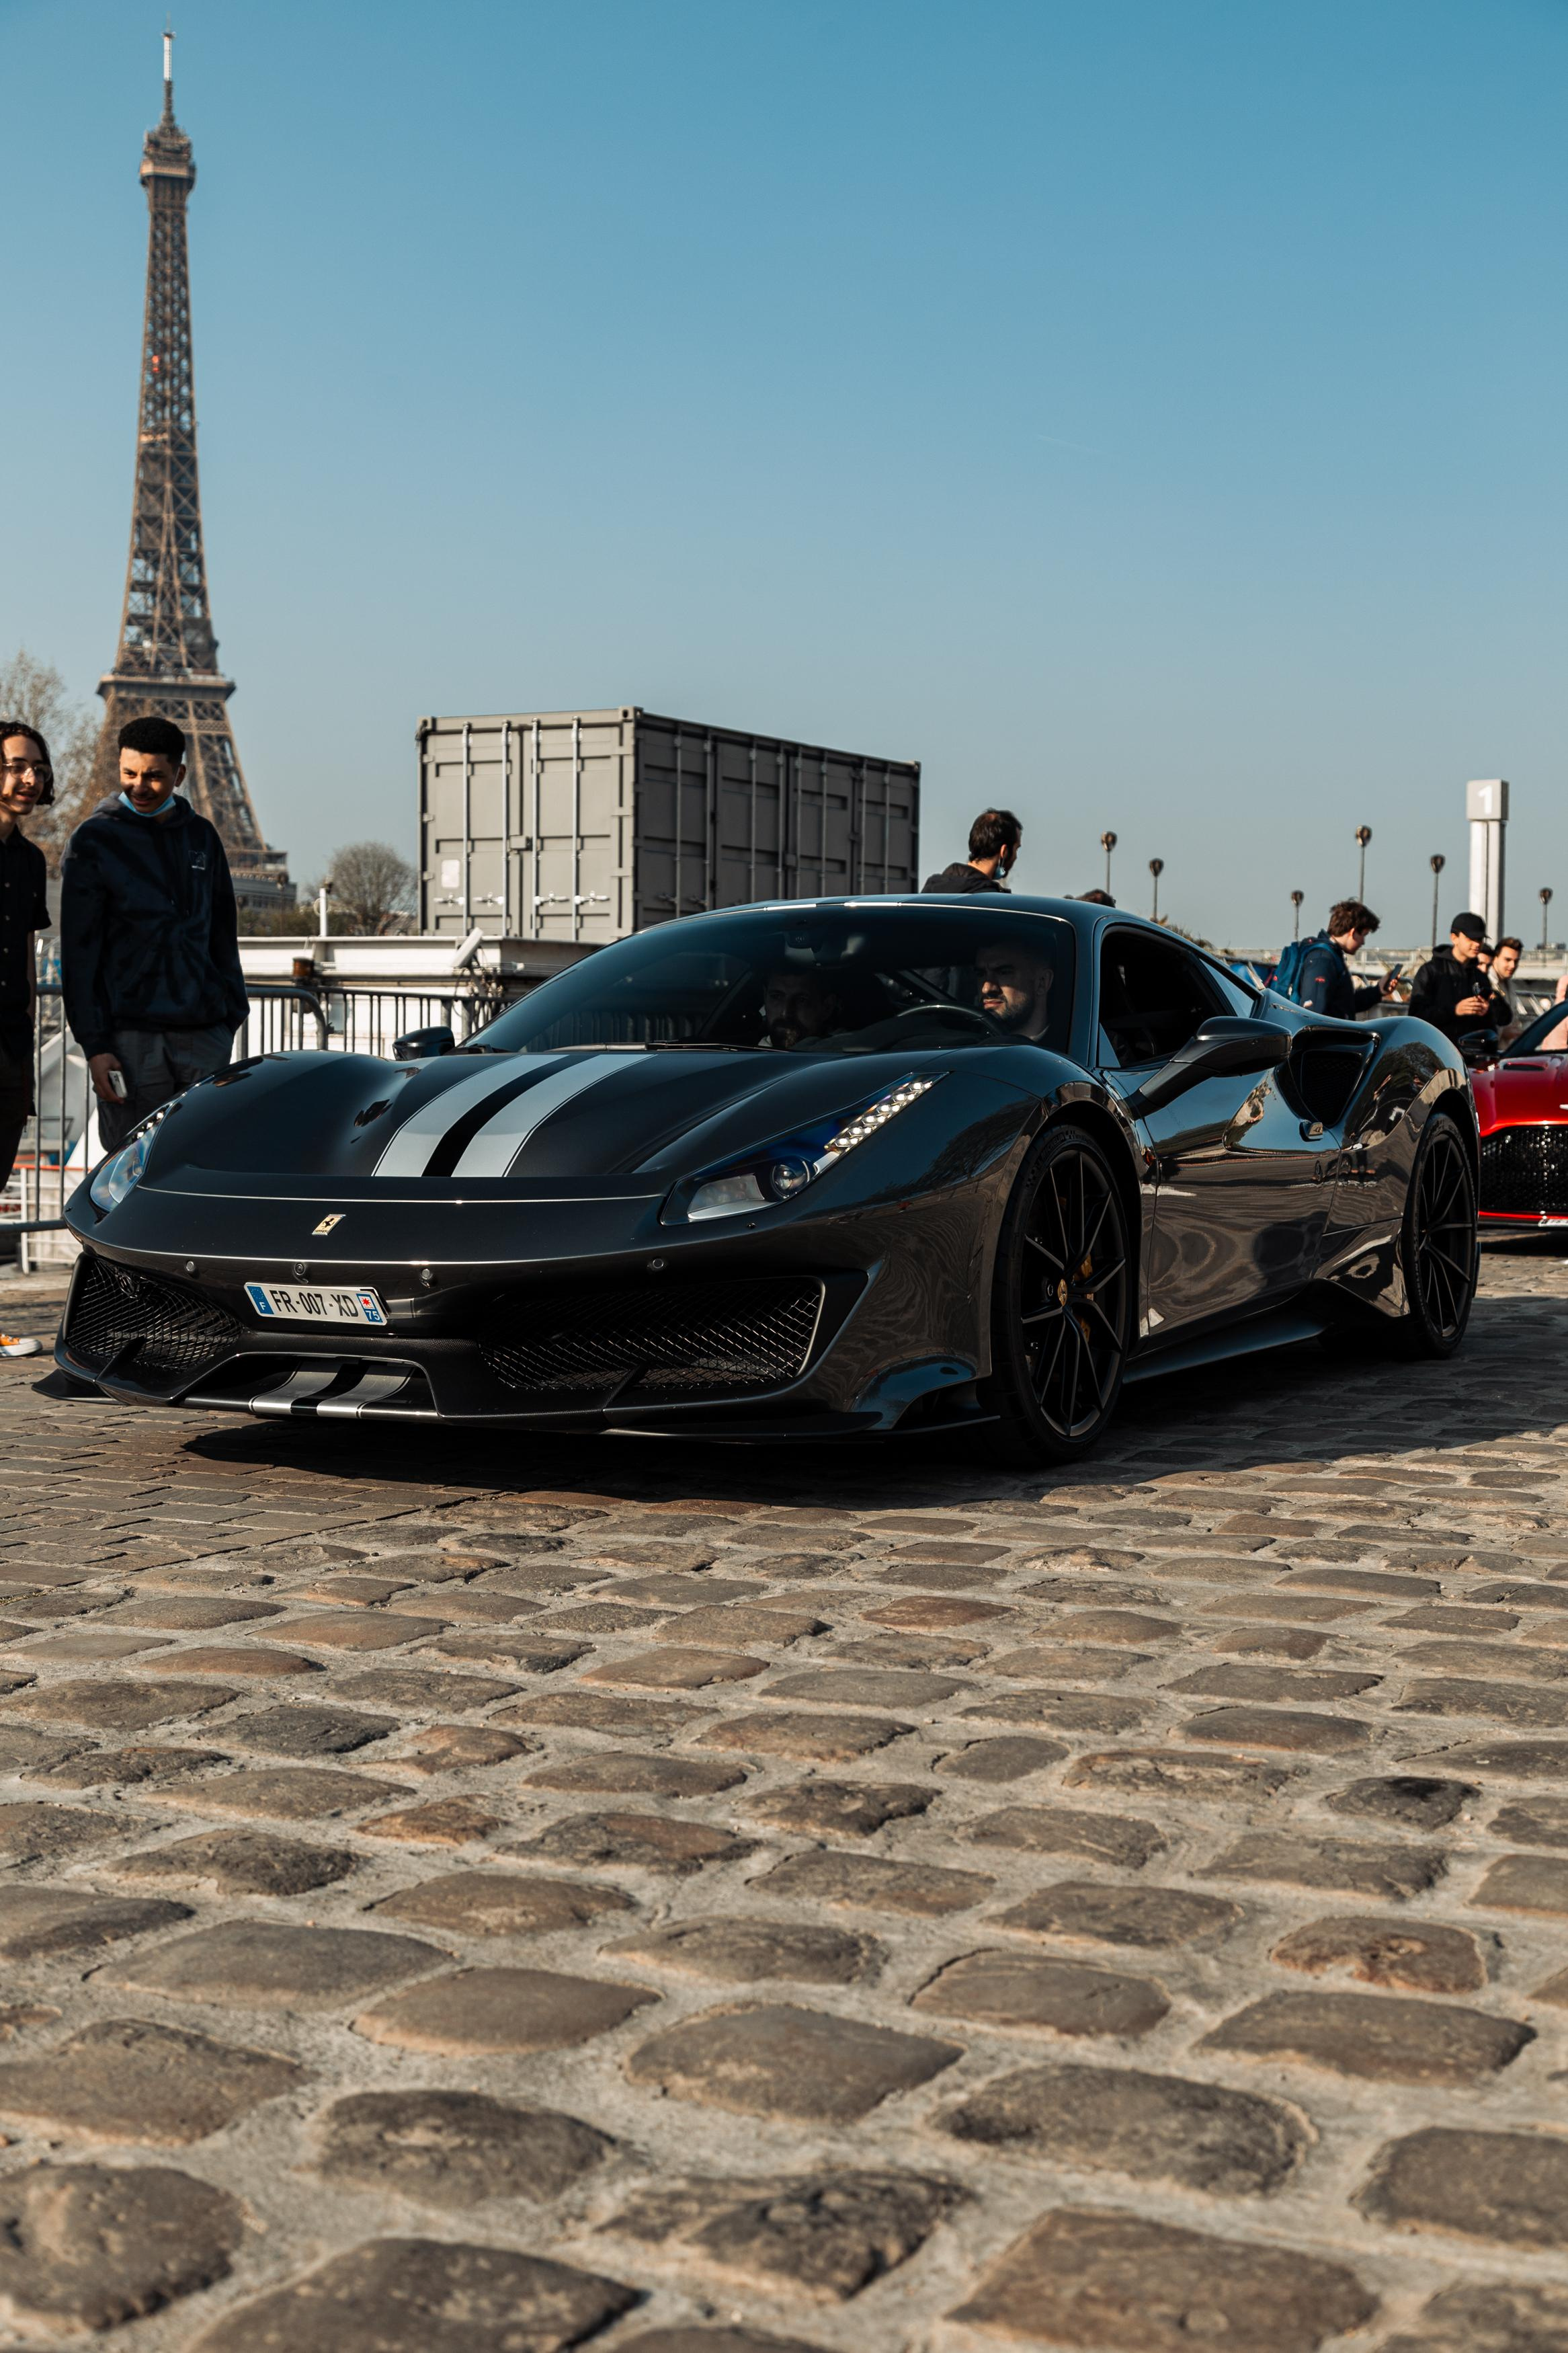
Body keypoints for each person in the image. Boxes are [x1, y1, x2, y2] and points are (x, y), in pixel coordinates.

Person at [60, 715, 248, 1154]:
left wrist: (228, 1016)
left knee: (201, 1162)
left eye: (154, 776)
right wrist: (95, 1045)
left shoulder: (203, 837)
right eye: (129, 774)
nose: (139, 786)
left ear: (179, 774)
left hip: (203, 1036)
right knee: (133, 1165)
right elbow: (79, 952)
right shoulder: (93, 841)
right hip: (130, 1041)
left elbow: (222, 933)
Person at [0, 723, 54, 1359]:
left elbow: (28, 961)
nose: (30, 779)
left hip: (10, 1040)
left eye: (37, 767)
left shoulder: (31, 860)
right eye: (16, 766)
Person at [1290, 900, 1398, 1020]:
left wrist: (1378, 991)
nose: (1363, 942)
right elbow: (1314, 1015)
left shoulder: (1331, 956)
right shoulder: (1322, 960)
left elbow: (1345, 1004)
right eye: (1364, 935)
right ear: (1352, 932)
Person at [1408, 911, 1497, 1046]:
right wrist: (1455, 1010)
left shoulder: (1480, 976)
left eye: (1480, 939)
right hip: (1436, 1051)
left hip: (1469, 1056)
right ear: (1454, 938)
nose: (1477, 944)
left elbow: (1493, 1025)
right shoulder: (1431, 971)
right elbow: (1416, 1016)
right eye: (1471, 939)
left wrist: (1486, 1012)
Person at [923, 809, 1021, 895]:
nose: (1016, 857)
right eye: (1016, 849)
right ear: (1004, 852)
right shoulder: (992, 902)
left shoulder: (931, 889)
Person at [976, 937, 1055, 1041]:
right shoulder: (965, 1043)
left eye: (1004, 972)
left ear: (1042, 982)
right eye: (981, 974)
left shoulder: (1073, 1050)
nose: (986, 989)